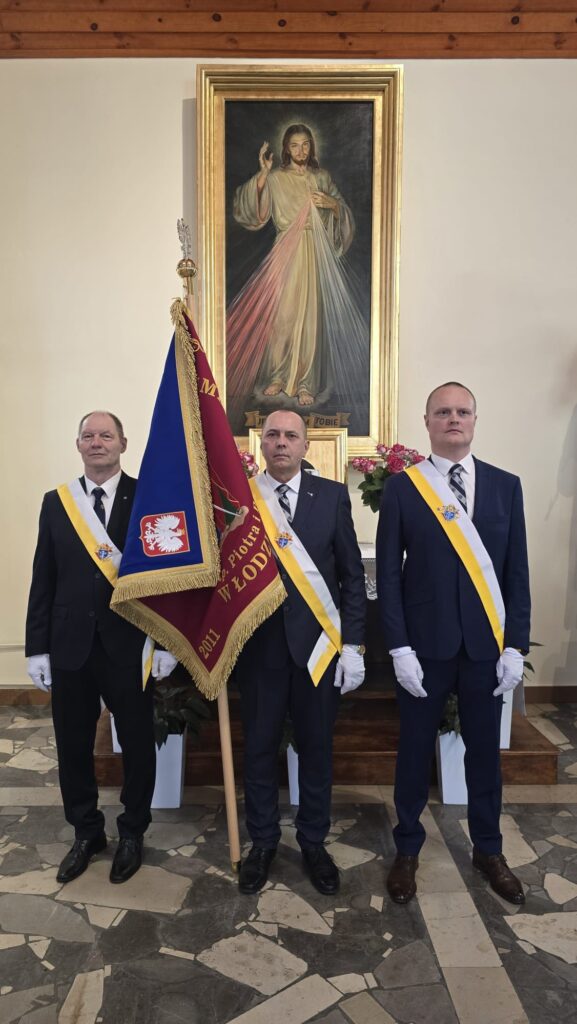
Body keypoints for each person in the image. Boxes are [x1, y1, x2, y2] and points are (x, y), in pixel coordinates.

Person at [376, 383, 531, 905]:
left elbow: (516, 573)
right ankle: (407, 849)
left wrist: (515, 647)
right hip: (425, 649)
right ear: (427, 422)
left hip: (486, 650)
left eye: (462, 411)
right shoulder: (403, 488)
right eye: (442, 412)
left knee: (485, 754)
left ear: (475, 420)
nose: (453, 419)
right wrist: (398, 648)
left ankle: (489, 849)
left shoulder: (506, 486)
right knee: (413, 752)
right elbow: (389, 578)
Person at [25, 411, 177, 885]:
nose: (97, 443)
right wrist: (36, 648)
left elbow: (165, 577)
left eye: (105, 435)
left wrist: (167, 642)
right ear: (78, 445)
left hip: (129, 644)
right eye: (88, 436)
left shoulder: (149, 498)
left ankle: (132, 832)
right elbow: (44, 577)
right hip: (69, 646)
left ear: (122, 444)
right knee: (72, 745)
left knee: (138, 744)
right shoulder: (57, 503)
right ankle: (86, 831)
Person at [235, 410, 366, 895]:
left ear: (307, 446)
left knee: (316, 749)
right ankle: (263, 843)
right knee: (259, 750)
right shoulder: (241, 499)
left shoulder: (331, 496)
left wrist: (353, 645)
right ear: (261, 443)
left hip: (317, 651)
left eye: (291, 436)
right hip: (260, 652)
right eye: (273, 435)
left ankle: (313, 842)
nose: (282, 443)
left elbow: (352, 575)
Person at [227, 123, 366, 413]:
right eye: (294, 145)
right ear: (286, 149)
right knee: (283, 316)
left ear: (311, 147)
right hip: (286, 251)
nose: (300, 150)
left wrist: (332, 204)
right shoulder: (276, 178)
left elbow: (343, 213)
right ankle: (278, 375)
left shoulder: (321, 177)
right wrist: (263, 174)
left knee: (311, 320)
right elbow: (252, 211)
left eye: (305, 145)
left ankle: (305, 382)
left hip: (314, 251)